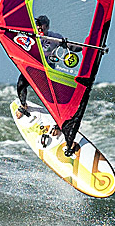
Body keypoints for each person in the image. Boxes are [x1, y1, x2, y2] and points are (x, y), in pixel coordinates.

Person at [15, 15, 82, 150]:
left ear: (47, 26)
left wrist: (84, 47)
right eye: (37, 25)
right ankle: (23, 105)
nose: (39, 27)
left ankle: (58, 125)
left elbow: (70, 46)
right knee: (21, 84)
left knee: (53, 99)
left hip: (48, 72)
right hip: (32, 69)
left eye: (42, 25)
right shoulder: (31, 36)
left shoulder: (53, 37)